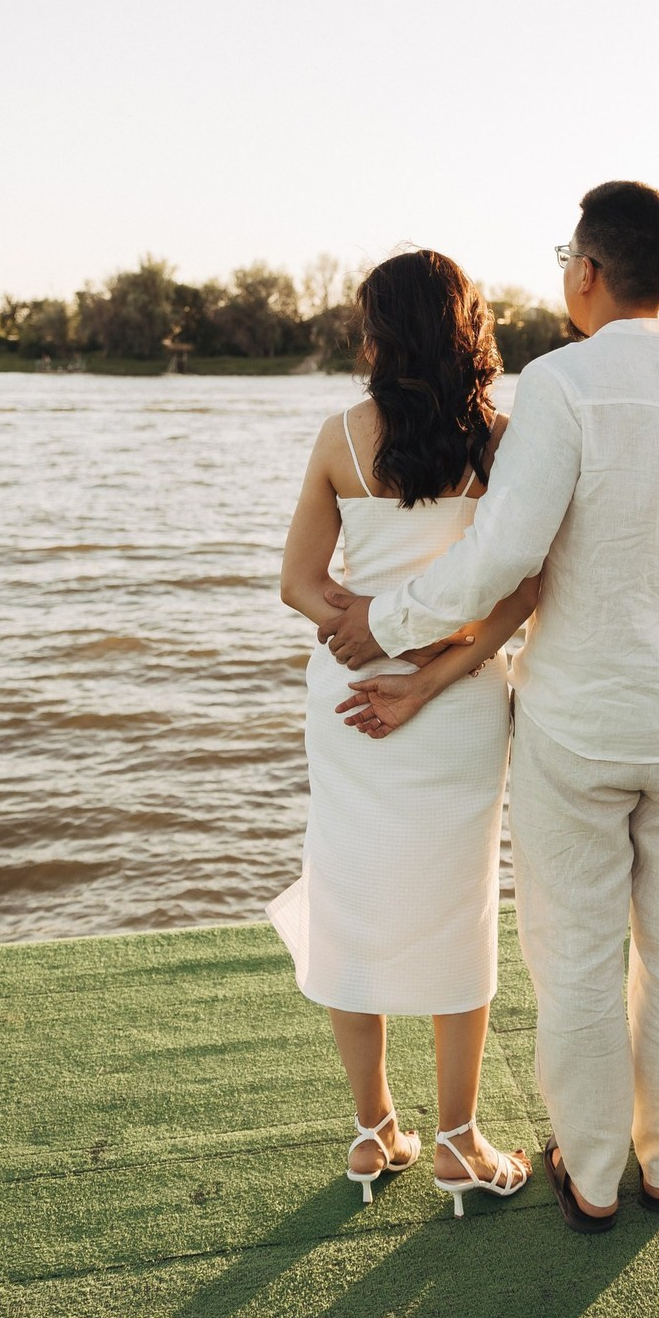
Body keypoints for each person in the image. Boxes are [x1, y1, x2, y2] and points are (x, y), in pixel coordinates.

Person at [326, 182, 659, 1231]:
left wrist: (383, 621)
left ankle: (587, 1174)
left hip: (576, 724)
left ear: (584, 270)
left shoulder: (562, 387)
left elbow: (503, 555)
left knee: (576, 953)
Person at [270, 249, 537, 1217]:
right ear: (466, 328)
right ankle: (460, 1143)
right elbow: (521, 596)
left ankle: (374, 1130)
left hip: (347, 697)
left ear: (378, 334)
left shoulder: (342, 434)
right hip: (460, 698)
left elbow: (297, 580)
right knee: (458, 903)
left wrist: (360, 625)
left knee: (351, 893)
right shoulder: (506, 444)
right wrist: (427, 677)